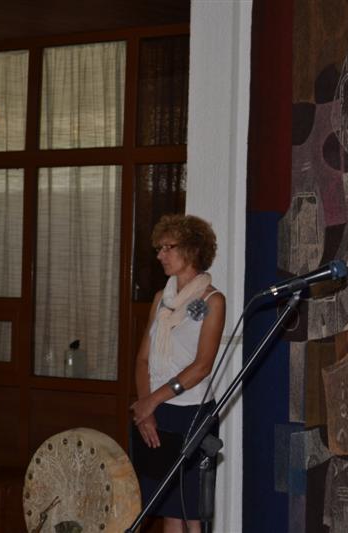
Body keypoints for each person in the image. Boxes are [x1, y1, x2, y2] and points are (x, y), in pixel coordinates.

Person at [131, 214, 226, 533]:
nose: (160, 255)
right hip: (157, 413)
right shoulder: (161, 299)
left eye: (167, 247)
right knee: (168, 507)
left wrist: (151, 401)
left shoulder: (213, 301)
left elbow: (201, 366)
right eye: (158, 248)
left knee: (191, 511)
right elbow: (142, 359)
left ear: (191, 250)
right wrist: (146, 410)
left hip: (192, 414)